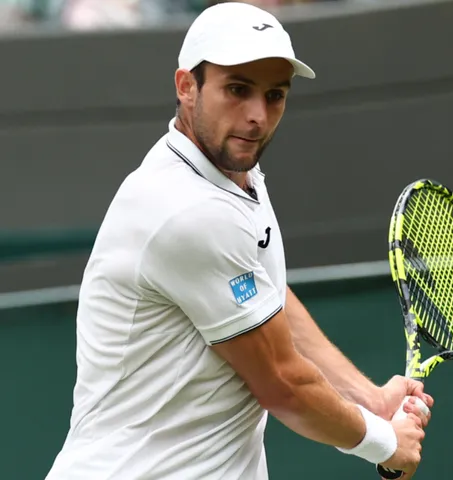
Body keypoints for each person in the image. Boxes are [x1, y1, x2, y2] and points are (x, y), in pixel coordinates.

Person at [44, 3, 433, 479]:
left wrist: (368, 399)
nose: (257, 116)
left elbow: (269, 298)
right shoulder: (188, 210)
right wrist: (385, 443)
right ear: (186, 86)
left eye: (275, 95)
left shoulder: (232, 172)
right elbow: (283, 384)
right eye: (237, 90)